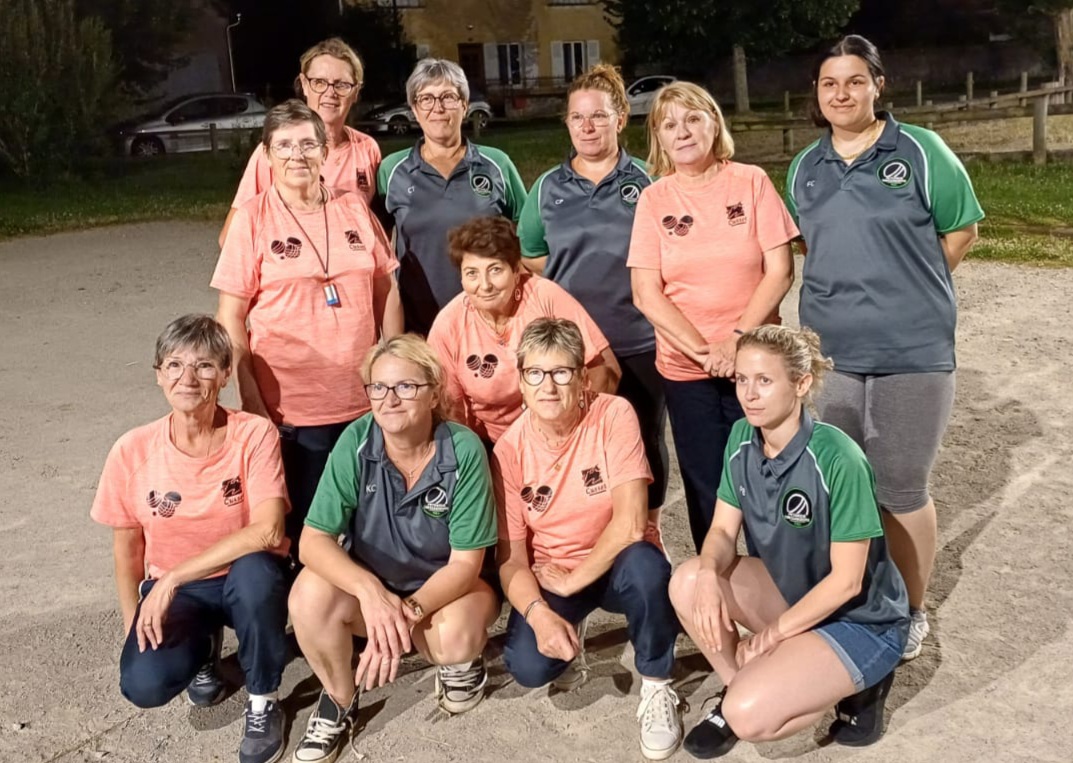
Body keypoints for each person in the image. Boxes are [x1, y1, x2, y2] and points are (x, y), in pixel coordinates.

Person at [785, 35, 984, 661]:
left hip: (912, 349)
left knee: (900, 486)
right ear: (816, 94)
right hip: (830, 353)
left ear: (878, 84)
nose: (841, 93)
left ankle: (910, 608)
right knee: (845, 485)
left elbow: (960, 231)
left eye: (854, 81)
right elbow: (814, 251)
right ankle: (854, 594)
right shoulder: (804, 168)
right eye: (829, 83)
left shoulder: (921, 151)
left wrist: (905, 291)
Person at [668, 325, 910, 759]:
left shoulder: (839, 458)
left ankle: (862, 683)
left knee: (752, 719)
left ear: (800, 384)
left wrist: (774, 635)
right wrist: (708, 572)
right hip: (797, 596)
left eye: (764, 380)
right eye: (742, 379)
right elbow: (722, 531)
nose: (749, 394)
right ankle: (738, 687)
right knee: (687, 582)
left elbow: (847, 583)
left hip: (861, 621)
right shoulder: (742, 437)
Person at [287, 334, 498, 763]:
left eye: (406, 386)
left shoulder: (463, 449)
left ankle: (460, 663)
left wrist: (404, 614)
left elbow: (465, 563)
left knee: (454, 641)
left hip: (442, 591)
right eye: (378, 388)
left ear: (434, 392)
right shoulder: (356, 440)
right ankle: (339, 699)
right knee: (308, 595)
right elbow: (312, 541)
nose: (390, 399)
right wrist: (370, 593)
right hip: (375, 588)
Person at [91, 315, 291, 763]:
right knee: (143, 683)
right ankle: (202, 650)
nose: (188, 378)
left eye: (203, 366)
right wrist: (135, 625)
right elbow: (127, 550)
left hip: (245, 577)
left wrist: (172, 578)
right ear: (158, 374)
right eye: (175, 365)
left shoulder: (253, 434)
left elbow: (268, 529)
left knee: (257, 573)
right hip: (179, 589)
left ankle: (263, 701)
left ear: (223, 375)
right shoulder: (132, 449)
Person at [213, 100, 403, 563]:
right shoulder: (254, 219)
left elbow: (386, 289)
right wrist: (252, 397)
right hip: (295, 410)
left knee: (371, 522)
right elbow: (231, 316)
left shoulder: (354, 208)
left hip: (364, 402)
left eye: (307, 144)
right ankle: (312, 627)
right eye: (284, 146)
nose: (296, 156)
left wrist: (394, 367)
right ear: (267, 154)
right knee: (311, 533)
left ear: (325, 152)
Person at [493, 318, 682, 761]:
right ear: (520, 382)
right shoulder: (508, 450)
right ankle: (567, 627)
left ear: (581, 378)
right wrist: (540, 614)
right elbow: (511, 560)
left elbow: (633, 522)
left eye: (562, 372)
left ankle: (657, 684)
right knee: (528, 666)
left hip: (615, 563)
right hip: (555, 572)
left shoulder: (613, 414)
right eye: (535, 373)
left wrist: (575, 579)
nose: (549, 386)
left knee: (647, 567)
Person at [628, 81, 797, 553]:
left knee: (769, 478)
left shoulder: (751, 182)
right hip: (688, 371)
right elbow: (646, 292)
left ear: (714, 123)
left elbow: (780, 270)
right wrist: (705, 351)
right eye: (669, 124)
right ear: (658, 139)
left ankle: (775, 589)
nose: (682, 131)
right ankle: (717, 590)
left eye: (693, 118)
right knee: (706, 486)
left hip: (756, 364)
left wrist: (736, 341)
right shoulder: (654, 200)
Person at [517, 63, 669, 544]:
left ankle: (648, 531)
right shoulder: (547, 188)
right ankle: (577, 541)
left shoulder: (649, 181)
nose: (587, 126)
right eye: (577, 117)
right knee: (575, 443)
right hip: (570, 347)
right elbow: (531, 255)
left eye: (598, 117)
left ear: (620, 118)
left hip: (637, 337)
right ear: (566, 122)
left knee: (643, 438)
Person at [428, 216, 620, 444]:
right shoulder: (448, 324)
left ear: (516, 270)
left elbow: (605, 369)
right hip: (491, 444)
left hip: (561, 433)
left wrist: (576, 433)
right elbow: (450, 410)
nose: (485, 284)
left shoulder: (546, 297)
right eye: (472, 273)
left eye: (495, 270)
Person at [378, 58, 527, 335]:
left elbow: (528, 236)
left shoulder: (496, 164)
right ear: (414, 109)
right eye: (426, 99)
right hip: (418, 326)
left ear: (464, 105)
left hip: (492, 322)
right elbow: (377, 251)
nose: (438, 108)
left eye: (448, 97)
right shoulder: (392, 170)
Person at [220, 38, 380, 248]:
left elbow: (376, 231)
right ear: (304, 84)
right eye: (319, 82)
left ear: (356, 91)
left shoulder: (366, 149)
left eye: (342, 84)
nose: (330, 93)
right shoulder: (278, 152)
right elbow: (231, 237)